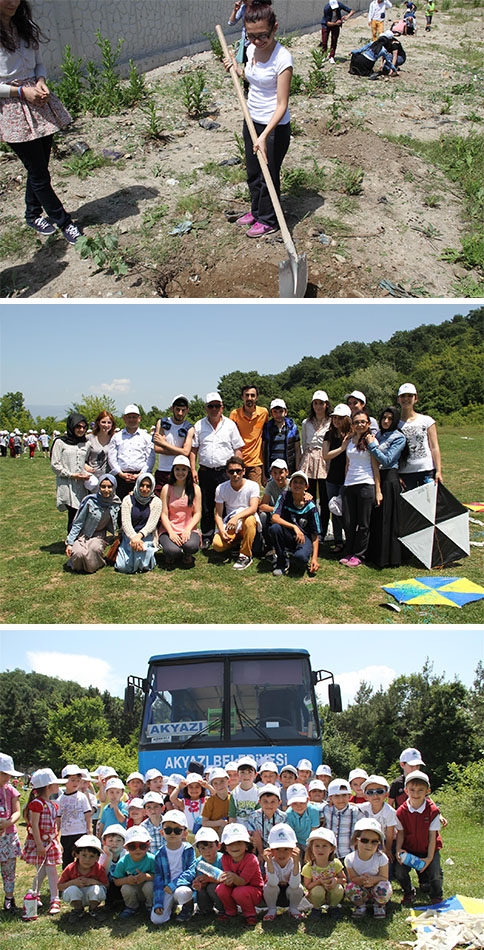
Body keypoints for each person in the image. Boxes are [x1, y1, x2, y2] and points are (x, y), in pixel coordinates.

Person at [0, 0, 81, 244]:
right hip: (13, 109)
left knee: (39, 167)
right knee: (38, 171)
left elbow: (39, 63)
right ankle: (64, 221)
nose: (13, 1)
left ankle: (32, 213)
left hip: (39, 103)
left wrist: (41, 80)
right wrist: (22, 93)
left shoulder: (25, 27)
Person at [224, 0, 293, 238]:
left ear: (275, 27)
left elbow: (282, 105)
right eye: (251, 36)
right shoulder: (252, 49)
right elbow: (252, 77)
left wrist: (264, 136)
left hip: (274, 127)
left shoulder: (283, 58)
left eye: (262, 35)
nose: (256, 41)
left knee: (268, 175)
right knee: (253, 171)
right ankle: (256, 211)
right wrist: (235, 67)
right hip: (251, 118)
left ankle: (269, 219)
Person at [189, 392, 244, 549]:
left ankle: (227, 533)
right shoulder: (199, 425)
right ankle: (207, 536)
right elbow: (193, 450)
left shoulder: (230, 425)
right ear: (206, 408)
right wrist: (193, 469)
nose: (214, 409)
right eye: (210, 406)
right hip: (205, 471)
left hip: (225, 472)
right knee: (206, 504)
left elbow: (237, 449)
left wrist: (237, 469)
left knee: (227, 504)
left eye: (217, 406)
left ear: (222, 407)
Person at [21, 766, 67, 917]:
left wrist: (57, 841)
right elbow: (34, 824)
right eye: (55, 784)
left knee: (45, 870)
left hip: (50, 842)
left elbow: (53, 826)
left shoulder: (53, 804)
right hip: (40, 843)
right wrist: (39, 844)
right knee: (47, 870)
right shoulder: (37, 804)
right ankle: (54, 899)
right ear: (48, 787)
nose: (58, 786)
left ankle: (36, 893)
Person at [394, 770, 443, 905]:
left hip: (428, 847)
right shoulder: (400, 812)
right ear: (405, 790)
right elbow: (401, 833)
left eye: (420, 790)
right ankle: (409, 892)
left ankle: (436, 895)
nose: (416, 794)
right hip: (409, 848)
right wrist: (398, 850)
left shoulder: (433, 811)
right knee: (399, 871)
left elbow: (433, 836)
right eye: (412, 790)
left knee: (435, 873)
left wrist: (429, 858)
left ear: (427, 791)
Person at [340, 410, 382, 567]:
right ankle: (349, 551)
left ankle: (359, 554)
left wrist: (378, 490)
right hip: (349, 484)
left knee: (363, 523)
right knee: (349, 521)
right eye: (356, 422)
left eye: (363, 422)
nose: (360, 425)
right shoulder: (350, 440)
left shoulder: (371, 441)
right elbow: (347, 464)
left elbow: (375, 467)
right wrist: (345, 484)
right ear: (352, 424)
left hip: (366, 484)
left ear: (368, 424)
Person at [366, 406, 406, 567]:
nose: (386, 421)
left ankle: (389, 557)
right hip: (376, 477)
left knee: (388, 519)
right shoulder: (379, 435)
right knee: (376, 518)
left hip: (389, 478)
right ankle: (374, 553)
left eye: (390, 418)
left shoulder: (399, 437)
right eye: (384, 418)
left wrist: (372, 446)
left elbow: (387, 460)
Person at [64, 473, 121, 573]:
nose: (106, 490)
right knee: (79, 553)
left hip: (99, 536)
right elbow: (78, 522)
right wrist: (70, 542)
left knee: (94, 549)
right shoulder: (90, 501)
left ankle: (90, 566)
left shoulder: (116, 503)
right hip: (83, 535)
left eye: (109, 487)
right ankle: (81, 564)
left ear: (114, 487)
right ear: (99, 487)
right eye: (103, 486)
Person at [213, 456, 261, 571]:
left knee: (250, 520)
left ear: (244, 471)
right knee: (217, 545)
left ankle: (245, 555)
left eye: (238, 471)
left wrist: (236, 517)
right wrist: (221, 530)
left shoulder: (253, 486)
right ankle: (236, 543)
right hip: (231, 524)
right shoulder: (221, 488)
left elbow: (253, 508)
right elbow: (218, 514)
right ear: (227, 473)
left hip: (245, 520)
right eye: (231, 471)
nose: (235, 474)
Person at [270, 470, 321, 576]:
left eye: (301, 483)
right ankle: (282, 562)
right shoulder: (284, 496)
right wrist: (294, 527)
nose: (297, 485)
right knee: (275, 528)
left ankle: (293, 555)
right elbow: (274, 518)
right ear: (290, 484)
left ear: (306, 487)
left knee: (300, 559)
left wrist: (315, 559)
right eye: (295, 482)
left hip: (303, 538)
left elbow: (315, 535)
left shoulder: (311, 507)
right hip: (289, 533)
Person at [151, 811, 195, 924]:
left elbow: (191, 871)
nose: (172, 833)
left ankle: (188, 908)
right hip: (166, 888)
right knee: (157, 920)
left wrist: (174, 884)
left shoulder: (188, 850)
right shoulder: (159, 854)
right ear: (162, 832)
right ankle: (171, 906)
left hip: (182, 886)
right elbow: (158, 879)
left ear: (185, 833)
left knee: (183, 892)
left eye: (177, 830)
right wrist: (158, 902)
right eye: (168, 830)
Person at [216, 822, 264, 925]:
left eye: (239, 843)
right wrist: (227, 881)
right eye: (231, 843)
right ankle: (230, 911)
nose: (235, 847)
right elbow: (229, 879)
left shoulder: (251, 859)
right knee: (221, 888)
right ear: (225, 847)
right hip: (236, 888)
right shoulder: (225, 858)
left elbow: (243, 881)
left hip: (254, 892)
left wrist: (232, 877)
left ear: (247, 845)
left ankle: (250, 914)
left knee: (240, 891)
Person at [50, 413, 90, 533]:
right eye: (78, 427)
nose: (81, 430)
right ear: (72, 426)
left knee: (81, 512)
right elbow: (55, 464)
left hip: (82, 484)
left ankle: (79, 541)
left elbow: (85, 461)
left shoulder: (86, 443)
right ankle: (71, 542)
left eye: (83, 427)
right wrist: (71, 474)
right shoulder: (60, 442)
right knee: (73, 513)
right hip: (67, 484)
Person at [345, 817, 392, 918]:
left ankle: (379, 905)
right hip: (361, 888)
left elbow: (384, 877)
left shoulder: (381, 858)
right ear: (356, 840)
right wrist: (361, 879)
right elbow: (352, 879)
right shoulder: (350, 859)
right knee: (350, 887)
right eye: (364, 840)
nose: (369, 845)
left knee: (384, 886)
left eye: (374, 842)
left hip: (376, 887)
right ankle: (361, 906)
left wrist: (373, 880)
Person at [397, 383, 442, 490]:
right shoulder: (395, 424)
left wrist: (439, 471)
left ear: (415, 398)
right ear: (398, 399)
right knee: (409, 506)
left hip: (426, 470)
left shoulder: (427, 421)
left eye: (410, 396)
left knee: (428, 504)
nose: (406, 399)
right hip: (405, 473)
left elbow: (434, 447)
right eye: (403, 396)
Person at [159, 455, 201, 568]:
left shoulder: (195, 488)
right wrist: (171, 532)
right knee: (172, 551)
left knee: (191, 546)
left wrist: (188, 529)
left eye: (184, 469)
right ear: (173, 470)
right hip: (169, 528)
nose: (180, 472)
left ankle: (187, 554)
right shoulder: (167, 488)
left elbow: (197, 513)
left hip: (188, 528)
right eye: (177, 469)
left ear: (188, 471)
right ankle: (171, 555)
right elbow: (164, 514)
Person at [301, 390, 332, 541]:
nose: (318, 406)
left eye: (321, 403)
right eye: (316, 403)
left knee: (325, 499)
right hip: (309, 459)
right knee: (309, 497)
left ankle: (323, 530)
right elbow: (304, 443)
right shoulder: (306, 423)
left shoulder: (331, 421)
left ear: (326, 405)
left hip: (325, 459)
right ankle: (310, 527)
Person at [115, 472, 161, 574]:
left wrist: (139, 537)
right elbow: (125, 522)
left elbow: (151, 524)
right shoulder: (127, 499)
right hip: (129, 535)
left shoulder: (156, 501)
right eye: (142, 485)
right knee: (122, 566)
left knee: (143, 563)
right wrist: (133, 537)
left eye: (148, 486)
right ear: (137, 484)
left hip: (147, 535)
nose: (145, 489)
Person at [107, 404, 155, 501]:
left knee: (140, 504)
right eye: (129, 417)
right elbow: (111, 457)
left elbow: (150, 458)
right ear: (124, 418)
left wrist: (141, 474)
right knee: (121, 504)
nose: (132, 420)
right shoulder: (117, 437)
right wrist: (120, 474)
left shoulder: (146, 437)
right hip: (121, 477)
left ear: (139, 418)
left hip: (141, 476)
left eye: (134, 417)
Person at [58, 834, 108, 922]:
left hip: (92, 896)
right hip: (76, 896)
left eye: (92, 856)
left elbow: (106, 885)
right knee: (72, 889)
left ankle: (94, 909)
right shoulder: (70, 868)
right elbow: (60, 886)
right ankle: (78, 910)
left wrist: (93, 881)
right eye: (84, 855)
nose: (87, 860)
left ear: (97, 858)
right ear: (76, 854)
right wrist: (73, 882)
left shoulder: (99, 869)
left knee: (96, 889)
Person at [323, 403, 352, 554]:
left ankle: (350, 540)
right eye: (335, 418)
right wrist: (342, 447)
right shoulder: (329, 435)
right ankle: (338, 541)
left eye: (340, 418)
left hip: (348, 478)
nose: (337, 421)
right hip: (332, 478)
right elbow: (325, 455)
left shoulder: (353, 435)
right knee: (334, 509)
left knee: (347, 511)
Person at [175, 826, 225, 916]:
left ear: (218, 846)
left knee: (212, 888)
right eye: (203, 848)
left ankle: (223, 909)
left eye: (210, 847)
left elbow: (226, 879)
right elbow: (197, 879)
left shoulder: (223, 859)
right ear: (198, 850)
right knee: (201, 889)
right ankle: (205, 909)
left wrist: (210, 879)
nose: (207, 851)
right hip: (207, 890)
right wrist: (198, 883)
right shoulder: (198, 862)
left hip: (220, 889)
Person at [153, 394, 195, 497]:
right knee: (160, 503)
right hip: (163, 470)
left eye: (183, 410)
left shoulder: (189, 428)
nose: (180, 413)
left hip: (181, 471)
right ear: (172, 408)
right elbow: (157, 448)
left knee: (178, 503)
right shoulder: (162, 422)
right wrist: (179, 450)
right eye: (177, 409)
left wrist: (164, 444)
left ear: (187, 410)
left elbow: (186, 452)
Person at [262, 822, 304, 920]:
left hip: (290, 895)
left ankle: (293, 909)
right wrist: (269, 863)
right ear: (271, 850)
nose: (282, 853)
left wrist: (297, 862)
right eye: (277, 849)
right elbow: (273, 883)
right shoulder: (269, 862)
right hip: (274, 895)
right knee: (269, 887)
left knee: (298, 888)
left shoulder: (294, 861)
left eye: (286, 849)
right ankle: (271, 910)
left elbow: (294, 884)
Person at [113, 824, 155, 920]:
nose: (138, 849)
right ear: (126, 847)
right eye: (132, 846)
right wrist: (127, 880)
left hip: (147, 889)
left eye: (142, 846)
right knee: (125, 887)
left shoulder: (152, 859)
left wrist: (146, 876)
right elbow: (116, 881)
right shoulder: (123, 861)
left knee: (150, 885)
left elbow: (158, 876)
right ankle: (131, 907)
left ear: (148, 845)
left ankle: (150, 905)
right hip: (133, 889)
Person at [229, 384, 268, 484]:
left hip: (255, 462)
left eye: (252, 395)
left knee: (253, 494)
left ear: (257, 397)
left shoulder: (263, 413)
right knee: (237, 494)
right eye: (247, 395)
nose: (249, 398)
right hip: (238, 461)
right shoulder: (235, 414)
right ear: (242, 397)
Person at [302, 827, 345, 915]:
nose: (320, 849)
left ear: (332, 849)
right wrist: (319, 882)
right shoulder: (309, 867)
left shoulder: (335, 863)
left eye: (324, 846)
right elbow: (308, 886)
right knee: (317, 891)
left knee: (339, 889)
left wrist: (336, 880)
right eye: (317, 846)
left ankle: (333, 907)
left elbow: (344, 879)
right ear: (311, 848)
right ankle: (316, 908)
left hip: (331, 891)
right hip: (316, 893)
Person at [57, 764, 93, 869]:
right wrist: (56, 835)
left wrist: (89, 831)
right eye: (72, 780)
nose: (76, 783)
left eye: (78, 780)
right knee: (67, 858)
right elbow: (58, 818)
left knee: (82, 858)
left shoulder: (82, 797)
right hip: (66, 834)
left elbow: (87, 814)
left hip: (80, 832)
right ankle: (68, 879)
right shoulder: (60, 799)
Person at [0, 752, 22, 913]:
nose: (7, 777)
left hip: (8, 835)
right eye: (4, 774)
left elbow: (16, 812)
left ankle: (9, 898)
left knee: (9, 868)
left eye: (8, 774)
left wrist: (8, 822)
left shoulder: (11, 791)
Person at [359, 775, 397, 862]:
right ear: (365, 797)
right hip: (369, 841)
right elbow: (351, 805)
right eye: (370, 792)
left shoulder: (389, 812)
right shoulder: (364, 808)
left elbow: (389, 834)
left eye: (379, 791)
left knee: (385, 862)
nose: (375, 795)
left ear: (386, 794)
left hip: (386, 841)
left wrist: (387, 849)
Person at [321, 778, 361, 860]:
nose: (341, 799)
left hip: (350, 854)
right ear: (330, 798)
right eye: (337, 796)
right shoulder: (326, 809)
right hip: (331, 854)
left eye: (344, 795)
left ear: (349, 796)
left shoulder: (356, 811)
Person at [263, 398, 301, 478]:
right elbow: (263, 451)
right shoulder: (267, 428)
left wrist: (297, 468)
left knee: (287, 490)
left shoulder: (292, 428)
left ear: (285, 412)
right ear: (271, 413)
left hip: (288, 468)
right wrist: (264, 473)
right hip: (272, 469)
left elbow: (297, 449)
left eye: (281, 411)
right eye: (275, 412)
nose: (278, 415)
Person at [248, 783, 286, 860]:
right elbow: (256, 836)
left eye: (273, 802)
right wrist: (261, 854)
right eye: (265, 801)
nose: (269, 805)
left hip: (278, 848)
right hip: (259, 848)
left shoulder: (283, 817)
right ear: (259, 802)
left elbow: (283, 837)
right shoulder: (253, 816)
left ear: (279, 803)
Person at [284, 783, 320, 856]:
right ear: (288, 803)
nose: (299, 806)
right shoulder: (288, 814)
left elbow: (314, 830)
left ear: (307, 799)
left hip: (311, 841)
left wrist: (310, 847)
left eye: (302, 802)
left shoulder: (314, 811)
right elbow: (291, 834)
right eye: (294, 803)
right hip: (296, 842)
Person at [84, 411, 116, 488]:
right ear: (98, 423)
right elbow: (81, 457)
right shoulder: (89, 438)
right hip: (92, 478)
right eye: (103, 422)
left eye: (109, 422)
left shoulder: (114, 439)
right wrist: (85, 466)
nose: (106, 425)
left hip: (108, 478)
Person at [228, 757, 260, 827]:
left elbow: (260, 816)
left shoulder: (259, 792)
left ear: (255, 775)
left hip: (255, 829)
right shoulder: (234, 794)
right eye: (242, 772)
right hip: (239, 830)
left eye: (250, 772)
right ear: (237, 774)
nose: (246, 776)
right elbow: (232, 817)